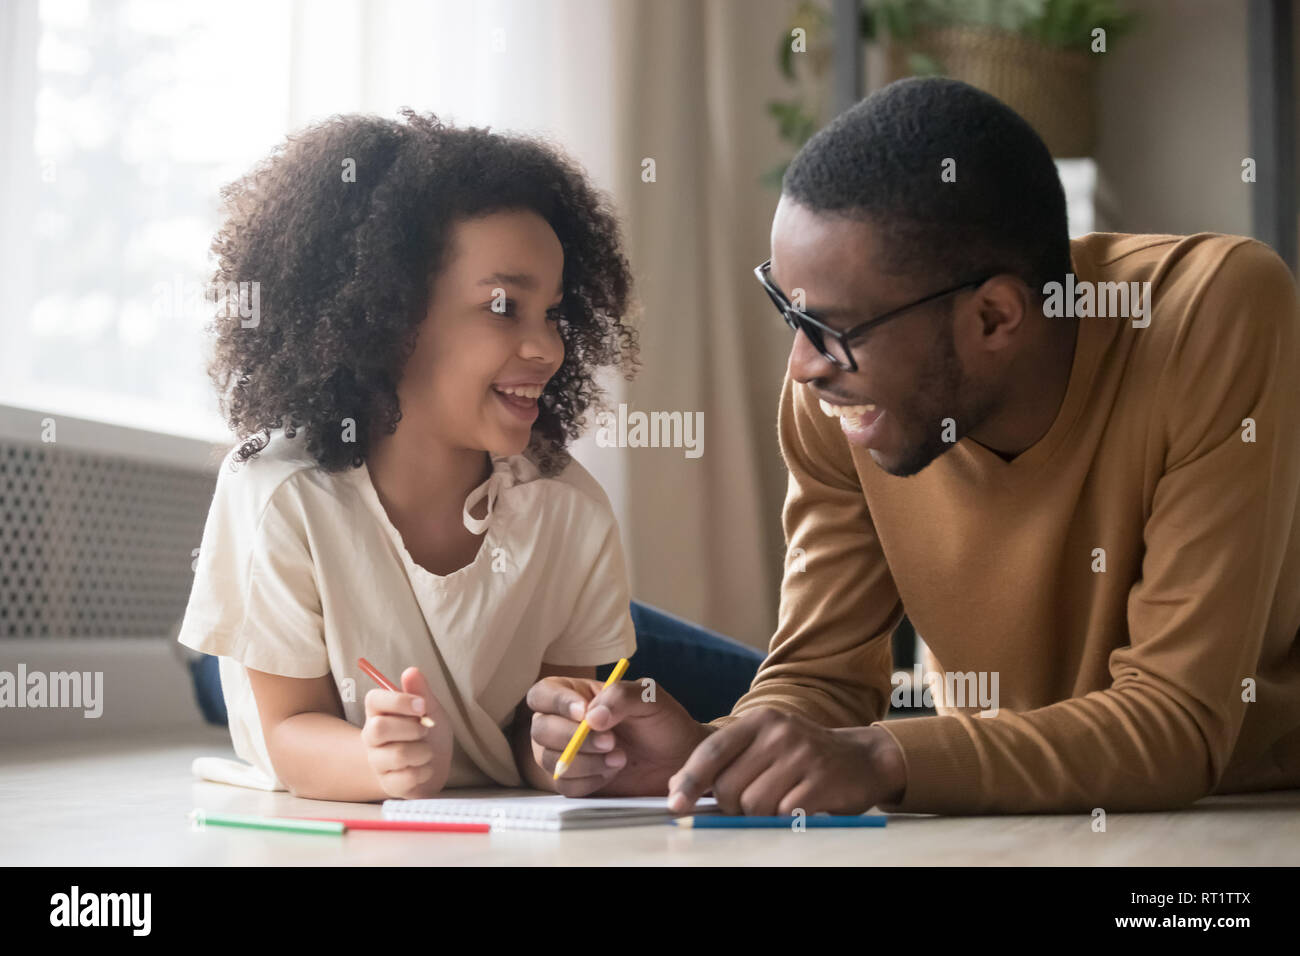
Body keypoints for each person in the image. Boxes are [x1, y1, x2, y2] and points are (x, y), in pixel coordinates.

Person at [524, 77, 1300, 816]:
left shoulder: (1211, 316)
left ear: (995, 318)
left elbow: (1179, 724)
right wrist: (708, 755)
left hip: (1237, 817)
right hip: (983, 819)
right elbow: (819, 680)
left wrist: (885, 758)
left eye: (833, 330)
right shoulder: (835, 397)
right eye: (789, 314)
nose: (802, 367)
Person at [178, 111, 644, 801]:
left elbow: (534, 736)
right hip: (294, 624)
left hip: (484, 639)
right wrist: (378, 764)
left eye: (553, 312)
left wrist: (560, 750)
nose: (549, 348)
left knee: (748, 695)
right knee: (241, 684)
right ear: (387, 315)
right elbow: (290, 731)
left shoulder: (569, 512)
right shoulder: (277, 494)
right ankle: (213, 653)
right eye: (503, 306)